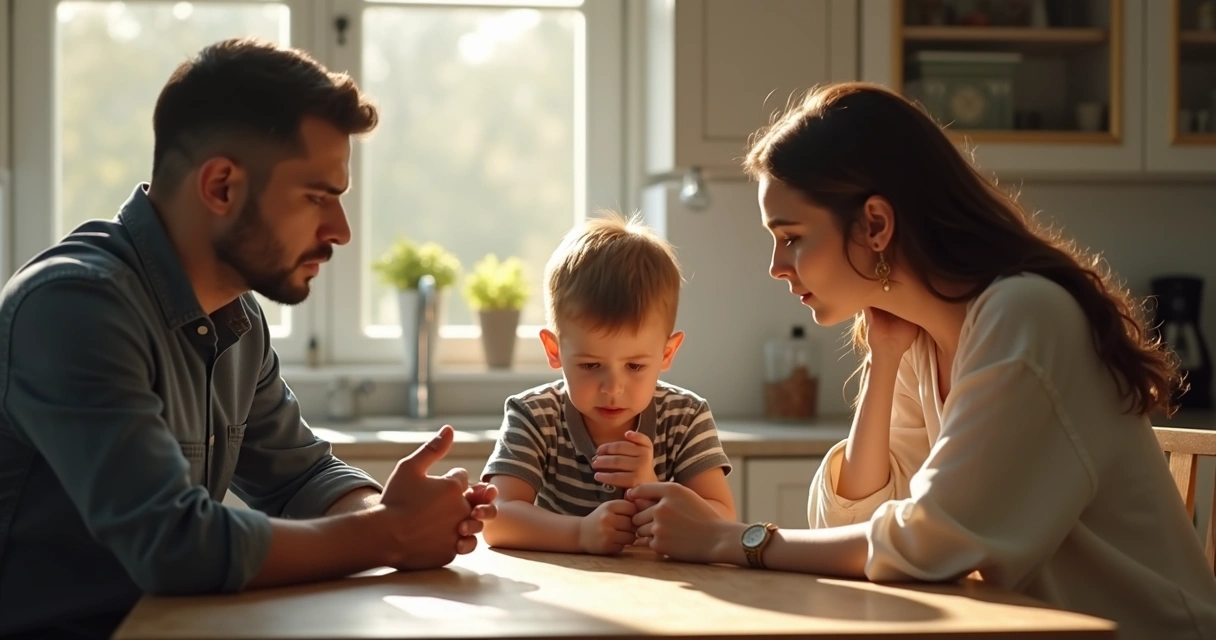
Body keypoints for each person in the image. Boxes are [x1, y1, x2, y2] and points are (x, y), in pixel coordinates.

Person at [624, 82, 1216, 639]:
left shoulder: (1026, 314)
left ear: (876, 223)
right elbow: (856, 525)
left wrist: (734, 540)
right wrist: (884, 360)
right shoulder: (924, 335)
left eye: (792, 235)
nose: (776, 265)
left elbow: (929, 544)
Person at [0, 38, 496, 639]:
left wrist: (386, 512)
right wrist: (388, 533)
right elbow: (173, 544)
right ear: (222, 187)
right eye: (318, 197)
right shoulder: (73, 305)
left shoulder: (236, 316)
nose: (340, 232)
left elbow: (297, 475)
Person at [480, 213, 735, 555]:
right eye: (590, 365)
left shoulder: (686, 418)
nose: (613, 387)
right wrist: (580, 534)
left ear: (667, 353)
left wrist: (650, 485)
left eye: (634, 365)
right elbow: (496, 520)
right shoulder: (533, 416)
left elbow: (723, 523)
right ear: (554, 350)